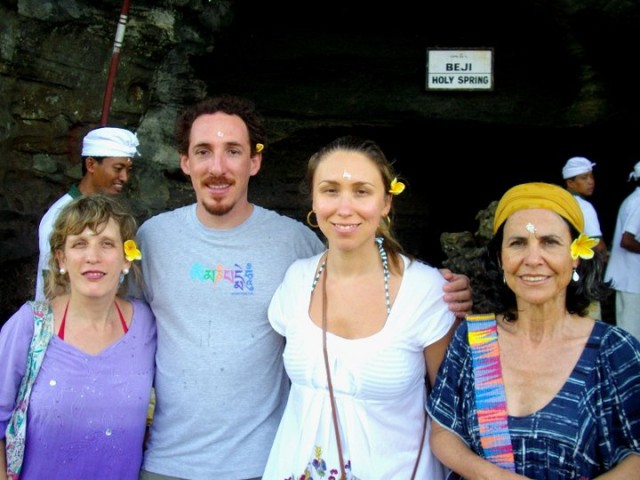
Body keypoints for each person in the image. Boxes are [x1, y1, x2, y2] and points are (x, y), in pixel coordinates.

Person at [134, 95, 473, 480]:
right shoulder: (153, 240)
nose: (218, 167)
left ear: (255, 161)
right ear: (184, 161)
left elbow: (358, 253)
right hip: (174, 461)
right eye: (203, 151)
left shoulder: (294, 245)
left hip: (264, 460)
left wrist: (443, 288)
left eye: (232, 151)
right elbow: (119, 326)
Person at [262, 136, 459, 480]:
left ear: (386, 202)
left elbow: (451, 412)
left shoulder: (426, 291)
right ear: (313, 198)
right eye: (330, 190)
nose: (345, 207)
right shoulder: (296, 281)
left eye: (362, 191)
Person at [427, 182, 640, 479]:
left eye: (550, 242)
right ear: (500, 258)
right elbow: (443, 432)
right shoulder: (474, 340)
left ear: (576, 254)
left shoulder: (614, 350)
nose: (533, 259)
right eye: (517, 243)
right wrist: (496, 476)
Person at [0, 193, 156, 479]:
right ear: (61, 258)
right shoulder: (30, 325)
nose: (92, 257)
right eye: (79, 244)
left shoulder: (146, 325)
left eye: (107, 244)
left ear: (126, 258)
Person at [35, 126, 140, 301]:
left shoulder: (112, 213)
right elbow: (54, 288)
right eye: (118, 168)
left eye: (128, 170)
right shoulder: (58, 217)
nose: (124, 177)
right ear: (91, 164)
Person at [562, 155, 608, 320]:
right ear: (570, 182)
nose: (591, 181)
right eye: (584, 177)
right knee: (589, 321)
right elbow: (598, 246)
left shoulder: (559, 203)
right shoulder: (584, 207)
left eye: (591, 176)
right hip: (583, 275)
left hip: (562, 275)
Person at [604, 161, 640, 341]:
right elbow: (627, 240)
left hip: (631, 279)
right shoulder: (639, 201)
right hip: (631, 281)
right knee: (631, 333)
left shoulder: (634, 199)